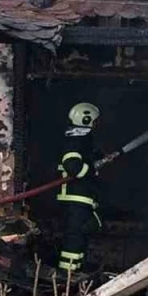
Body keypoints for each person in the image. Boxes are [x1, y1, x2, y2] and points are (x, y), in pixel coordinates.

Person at [55, 102, 103, 276]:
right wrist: (90, 169)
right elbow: (72, 165)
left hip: (81, 198)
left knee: (80, 236)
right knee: (74, 238)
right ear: (86, 119)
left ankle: (76, 270)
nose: (98, 124)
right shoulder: (76, 140)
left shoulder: (84, 139)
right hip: (75, 197)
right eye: (95, 121)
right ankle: (67, 276)